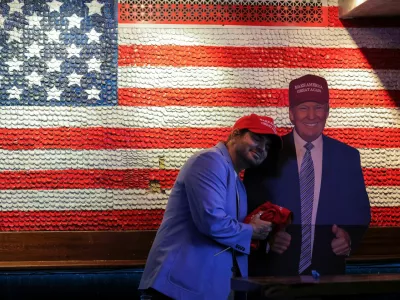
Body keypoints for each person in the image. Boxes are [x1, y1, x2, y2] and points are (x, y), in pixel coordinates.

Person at [138, 114, 283, 300]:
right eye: (256, 138)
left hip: (207, 289)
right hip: (179, 289)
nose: (262, 148)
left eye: (267, 146)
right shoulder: (209, 161)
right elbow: (212, 222)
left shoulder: (236, 180)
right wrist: (252, 230)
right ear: (234, 135)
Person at [243, 74, 371, 277]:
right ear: (292, 114)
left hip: (329, 276)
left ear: (327, 111)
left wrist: (348, 237)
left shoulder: (348, 157)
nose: (312, 115)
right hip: (274, 277)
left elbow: (360, 211)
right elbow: (246, 209)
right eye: (303, 108)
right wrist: (267, 238)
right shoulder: (266, 153)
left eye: (319, 107)